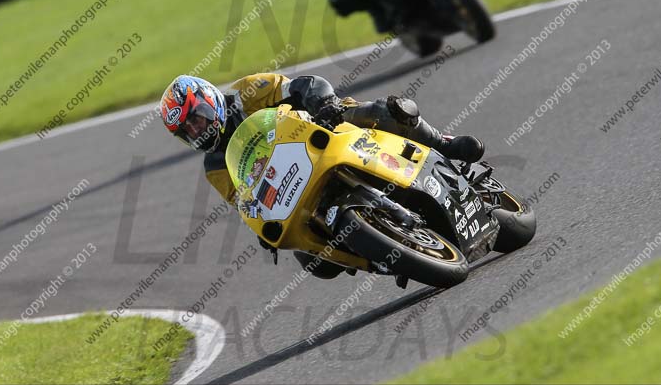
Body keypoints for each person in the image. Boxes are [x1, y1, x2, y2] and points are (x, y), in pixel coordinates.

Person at [160, 73, 483, 278]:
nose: (197, 131)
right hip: (291, 184)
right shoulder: (215, 167)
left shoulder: (247, 92)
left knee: (384, 111)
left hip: (322, 129)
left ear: (209, 100)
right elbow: (243, 199)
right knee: (314, 261)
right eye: (187, 131)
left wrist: (325, 104)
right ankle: (381, 250)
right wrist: (260, 225)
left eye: (197, 119)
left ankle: (444, 143)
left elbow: (304, 84)